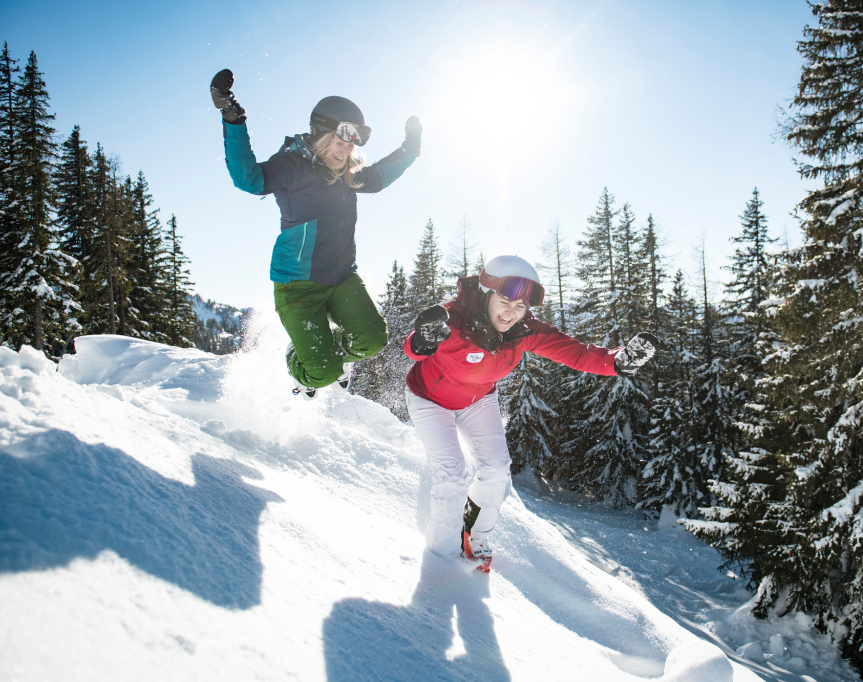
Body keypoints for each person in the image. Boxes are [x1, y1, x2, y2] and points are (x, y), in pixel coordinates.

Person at [402, 255, 661, 571]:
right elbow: (415, 349)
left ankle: (473, 535)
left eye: (521, 306)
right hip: (429, 398)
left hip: (478, 399)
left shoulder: (525, 330)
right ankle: (442, 559)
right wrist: (422, 340)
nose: (512, 311)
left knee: (497, 469)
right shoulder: (454, 320)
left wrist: (615, 361)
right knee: (453, 474)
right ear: (486, 293)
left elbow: (576, 352)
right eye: (505, 300)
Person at [210, 69, 422, 398]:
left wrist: (410, 149)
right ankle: (301, 364)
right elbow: (248, 179)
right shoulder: (292, 165)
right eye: (339, 143)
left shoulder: (347, 175)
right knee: (320, 372)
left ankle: (329, 356)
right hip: (298, 286)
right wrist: (233, 120)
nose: (344, 152)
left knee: (373, 339)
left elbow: (379, 176)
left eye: (350, 146)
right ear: (321, 134)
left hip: (340, 279)